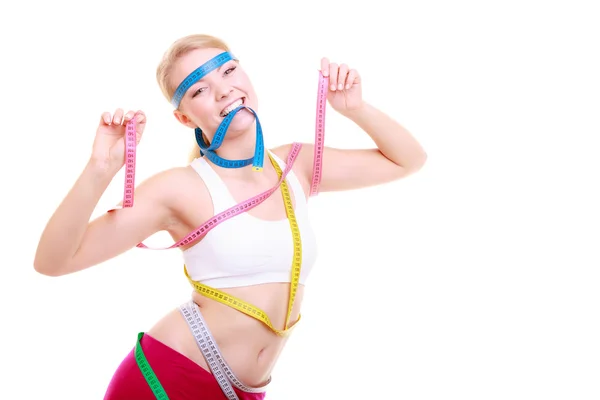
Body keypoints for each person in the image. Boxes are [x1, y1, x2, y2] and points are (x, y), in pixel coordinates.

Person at [33, 33, 428, 400]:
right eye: (200, 89)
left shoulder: (298, 165)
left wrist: (354, 109)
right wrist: (100, 168)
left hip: (244, 391)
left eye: (228, 69)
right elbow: (53, 262)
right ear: (185, 118)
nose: (224, 89)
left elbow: (408, 161)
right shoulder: (180, 188)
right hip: (167, 380)